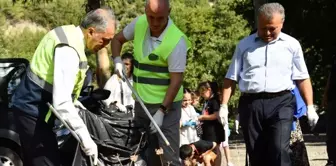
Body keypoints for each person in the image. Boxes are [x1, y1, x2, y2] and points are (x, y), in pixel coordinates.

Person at [10, 8, 117, 166]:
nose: (105, 46)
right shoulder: (69, 49)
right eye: (105, 40)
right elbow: (61, 102)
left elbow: (64, 92)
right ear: (92, 31)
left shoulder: (68, 34)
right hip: (32, 111)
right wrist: (85, 139)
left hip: (33, 109)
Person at [220, 2, 319, 166]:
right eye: (262, 28)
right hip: (252, 104)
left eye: (272, 28)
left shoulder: (292, 45)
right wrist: (224, 105)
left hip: (282, 102)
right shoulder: (244, 45)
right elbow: (231, 78)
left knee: (280, 149)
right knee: (256, 154)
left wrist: (309, 106)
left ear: (282, 24)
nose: (266, 33)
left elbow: (302, 77)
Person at [110, 0, 191, 165]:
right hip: (141, 103)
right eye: (150, 17)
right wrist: (117, 60)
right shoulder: (139, 24)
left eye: (160, 18)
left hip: (166, 108)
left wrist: (161, 111)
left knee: (168, 157)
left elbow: (176, 81)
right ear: (145, 12)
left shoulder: (176, 41)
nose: (154, 22)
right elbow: (116, 40)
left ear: (169, 12)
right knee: (146, 152)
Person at [198, 81, 225, 166]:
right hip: (207, 131)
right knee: (208, 151)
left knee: (214, 151)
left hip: (214, 131)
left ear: (209, 90)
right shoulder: (207, 101)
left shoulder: (214, 101)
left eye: (203, 92)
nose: (202, 95)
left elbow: (216, 115)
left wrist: (202, 117)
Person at [322, 54, 336, 166]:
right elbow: (331, 75)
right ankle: (331, 160)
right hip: (333, 97)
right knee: (331, 131)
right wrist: (326, 93)